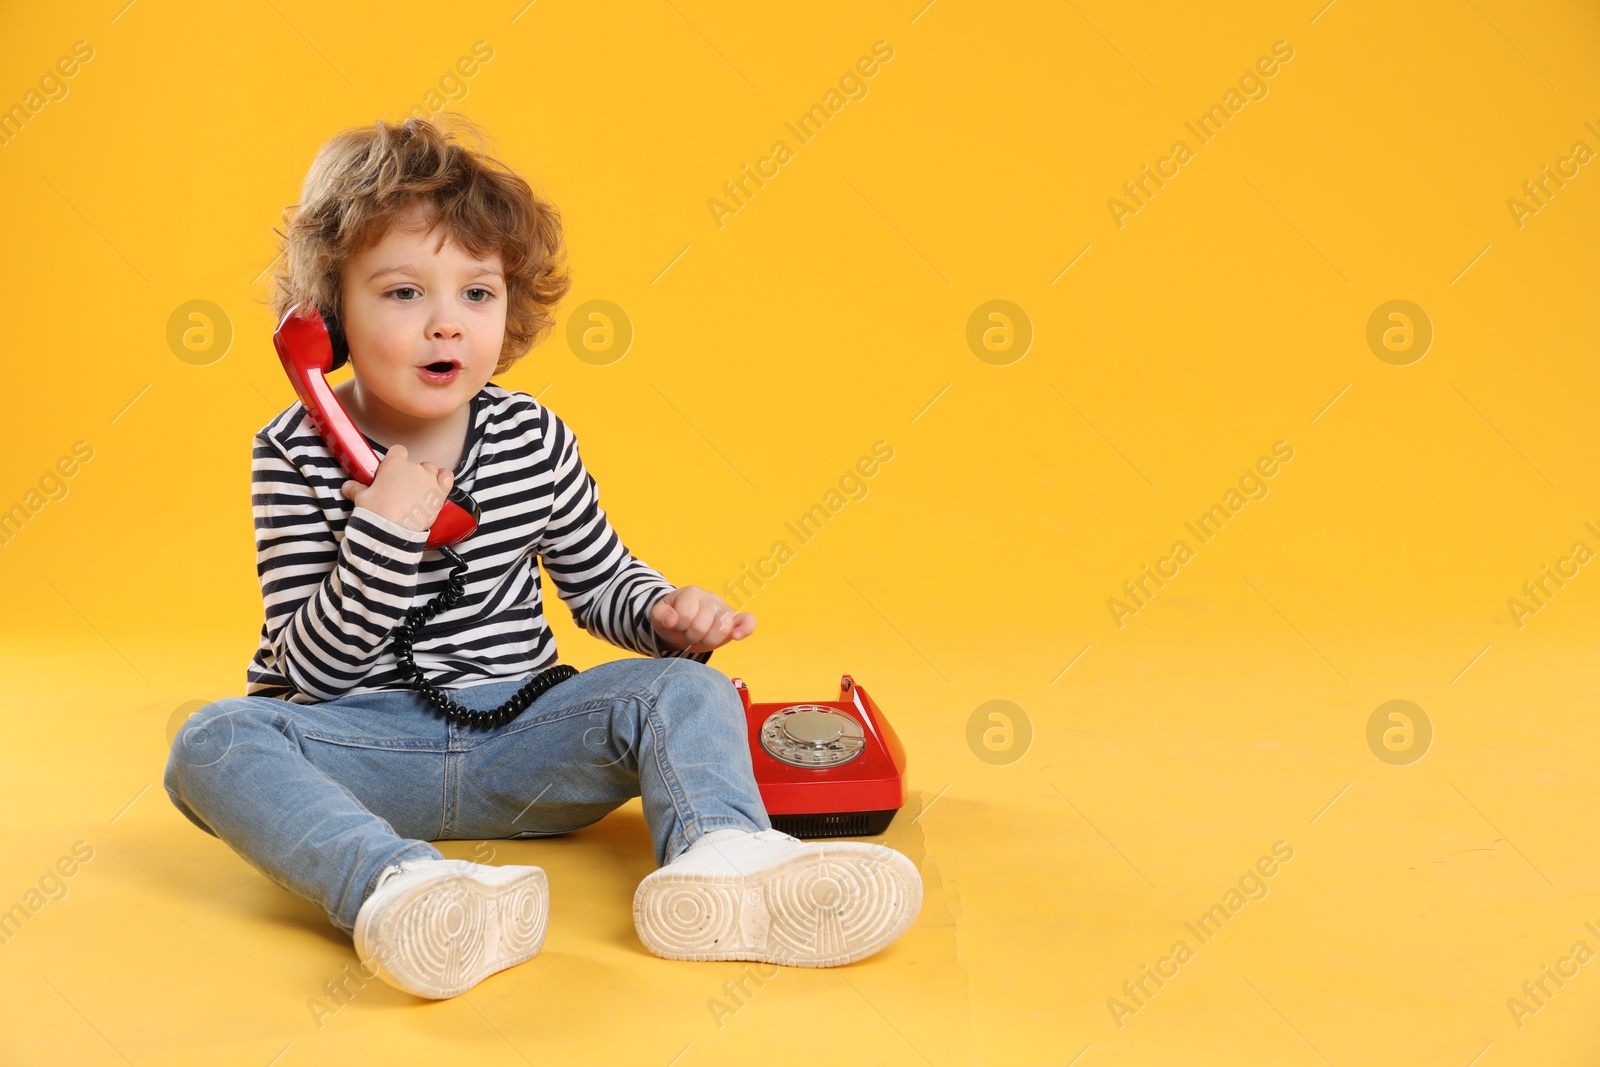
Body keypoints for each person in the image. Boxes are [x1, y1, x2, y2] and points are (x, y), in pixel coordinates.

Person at [162, 115, 922, 1000]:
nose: (447, 325)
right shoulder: (292, 448)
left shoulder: (532, 434)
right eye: (404, 293)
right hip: (364, 747)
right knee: (211, 740)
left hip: (523, 741)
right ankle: (399, 888)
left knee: (689, 689)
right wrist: (384, 533)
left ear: (510, 307)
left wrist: (663, 614)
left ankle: (727, 862)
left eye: (477, 295)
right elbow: (315, 668)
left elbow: (600, 581)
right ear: (324, 320)